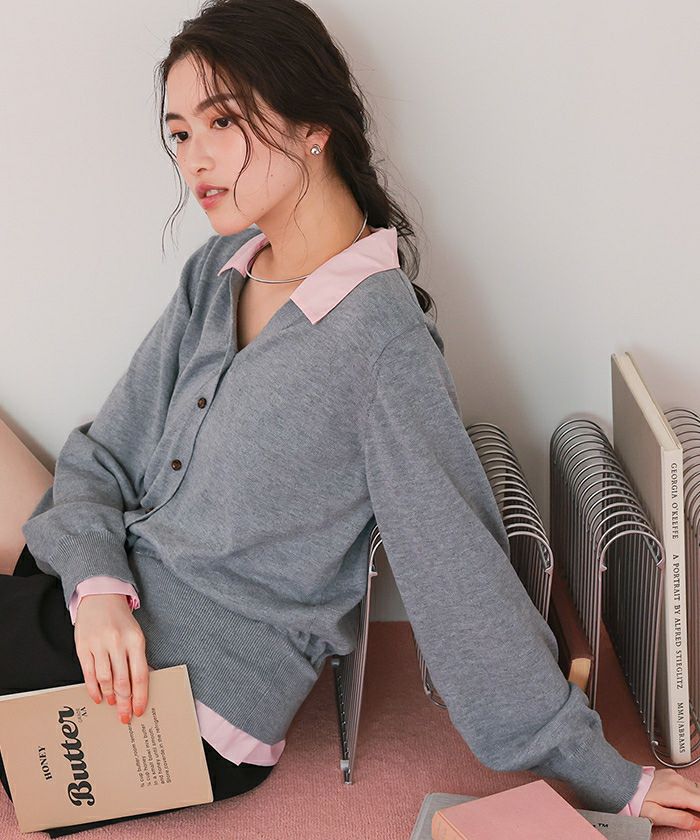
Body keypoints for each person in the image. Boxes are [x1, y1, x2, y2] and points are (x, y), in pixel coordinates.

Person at [2, 0, 699, 834]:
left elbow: (458, 574)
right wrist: (99, 588)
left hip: (183, 700)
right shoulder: (222, 269)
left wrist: (606, 776)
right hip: (108, 609)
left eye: (222, 121)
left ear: (313, 125)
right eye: (179, 132)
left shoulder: (381, 344)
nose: (194, 158)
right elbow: (104, 458)